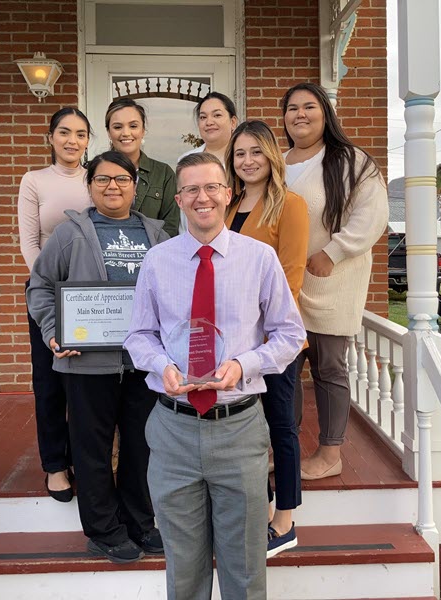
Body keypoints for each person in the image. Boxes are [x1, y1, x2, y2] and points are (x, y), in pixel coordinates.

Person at [124, 153, 305, 599]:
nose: (202, 197)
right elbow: (138, 335)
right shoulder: (157, 261)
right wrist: (160, 365)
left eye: (211, 187)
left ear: (228, 193)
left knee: (244, 570)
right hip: (173, 430)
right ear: (179, 199)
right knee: (183, 572)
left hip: (238, 429)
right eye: (190, 189)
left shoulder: (259, 259)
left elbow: (290, 334)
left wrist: (244, 365)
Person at [27, 151, 168, 563]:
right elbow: (39, 288)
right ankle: (103, 530)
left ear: (135, 186)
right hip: (87, 363)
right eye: (103, 179)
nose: (113, 186)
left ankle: (140, 523)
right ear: (89, 186)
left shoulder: (156, 236)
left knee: (143, 447)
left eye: (122, 179)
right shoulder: (69, 235)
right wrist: (53, 331)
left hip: (143, 364)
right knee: (92, 448)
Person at [281, 82, 388, 481]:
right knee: (284, 370)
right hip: (285, 285)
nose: (300, 114)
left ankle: (330, 454)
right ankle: (285, 446)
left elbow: (372, 215)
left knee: (328, 369)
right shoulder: (277, 160)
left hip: (331, 281)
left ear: (326, 113)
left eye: (309, 106)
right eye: (292, 108)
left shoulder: (352, 161)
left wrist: (334, 252)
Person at [223, 120, 309, 557]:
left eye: (256, 152)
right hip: (234, 343)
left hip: (274, 341)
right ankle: (259, 503)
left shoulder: (289, 205)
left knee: (280, 425)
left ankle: (286, 519)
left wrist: (263, 336)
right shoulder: (226, 204)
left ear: (272, 156)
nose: (247, 160)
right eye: (240, 153)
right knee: (247, 428)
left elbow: (291, 277)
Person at [17, 107, 92, 503]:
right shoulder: (34, 181)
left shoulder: (95, 179)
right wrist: (47, 285)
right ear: (51, 137)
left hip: (86, 297)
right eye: (64, 132)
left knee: (82, 383)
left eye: (80, 134)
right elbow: (30, 243)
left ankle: (83, 458)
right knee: (48, 383)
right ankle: (55, 466)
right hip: (47, 295)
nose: (72, 141)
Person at [105, 98, 180, 237]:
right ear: (109, 132)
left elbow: (170, 226)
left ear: (143, 130)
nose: (126, 133)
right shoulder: (95, 171)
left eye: (133, 126)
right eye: (117, 127)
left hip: (152, 254)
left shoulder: (163, 174)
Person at [178, 91, 239, 165]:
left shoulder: (244, 158)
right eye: (203, 117)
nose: (209, 122)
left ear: (233, 122)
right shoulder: (186, 161)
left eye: (217, 115)